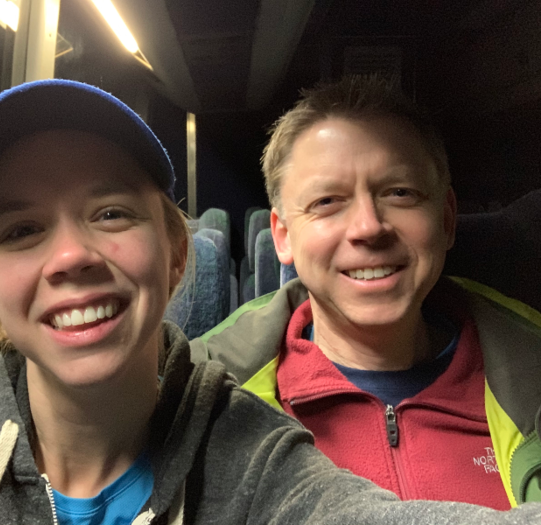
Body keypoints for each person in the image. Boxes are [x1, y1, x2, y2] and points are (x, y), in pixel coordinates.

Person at [0, 78, 541, 525]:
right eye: (22, 228)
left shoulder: (242, 446)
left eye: (112, 213)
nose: (70, 256)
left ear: (178, 254)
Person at [189, 76, 541, 509]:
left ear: (446, 220)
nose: (368, 227)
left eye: (399, 193)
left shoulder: (532, 370)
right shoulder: (204, 403)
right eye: (326, 201)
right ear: (283, 237)